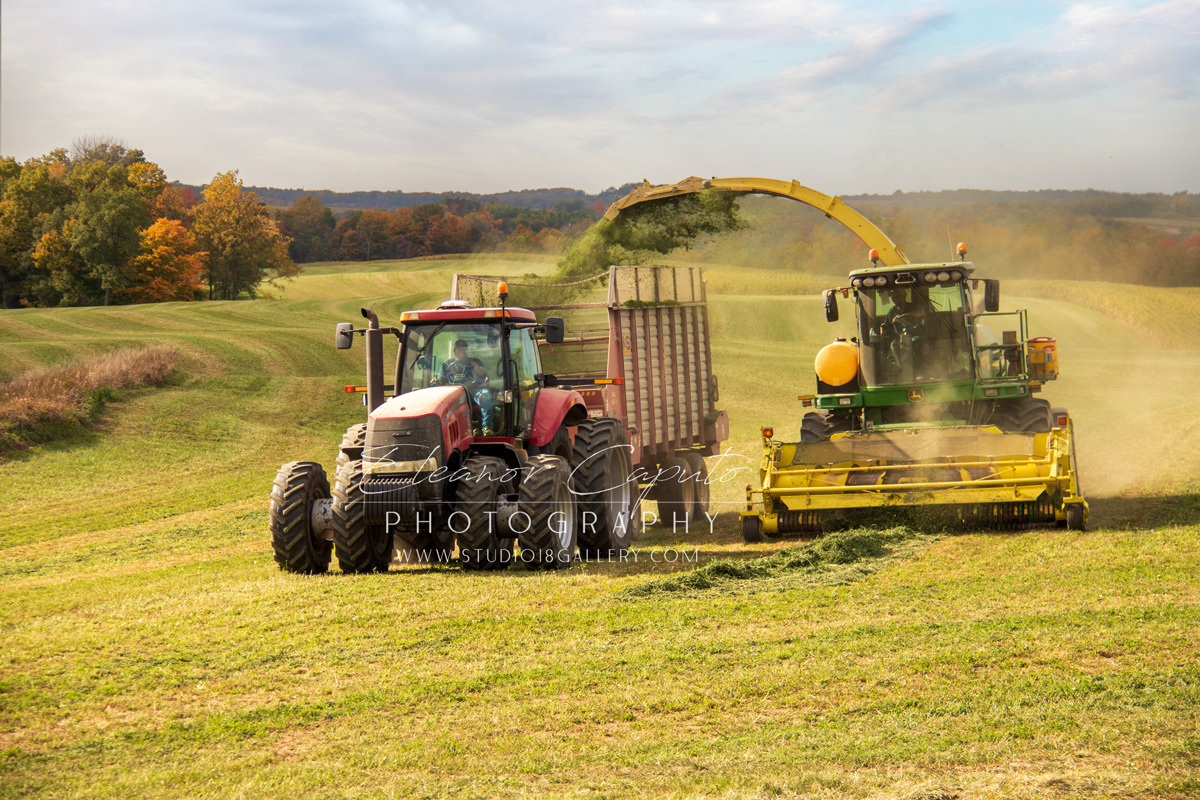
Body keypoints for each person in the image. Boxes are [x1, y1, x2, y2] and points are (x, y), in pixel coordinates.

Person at [437, 340, 494, 432]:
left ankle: (487, 427)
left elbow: (483, 374)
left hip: (474, 391)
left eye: (465, 348)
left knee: (485, 395)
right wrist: (436, 382)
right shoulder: (446, 364)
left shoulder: (475, 361)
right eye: (460, 348)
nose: (463, 350)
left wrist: (478, 369)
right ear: (454, 350)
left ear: (467, 350)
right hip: (455, 393)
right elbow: (441, 382)